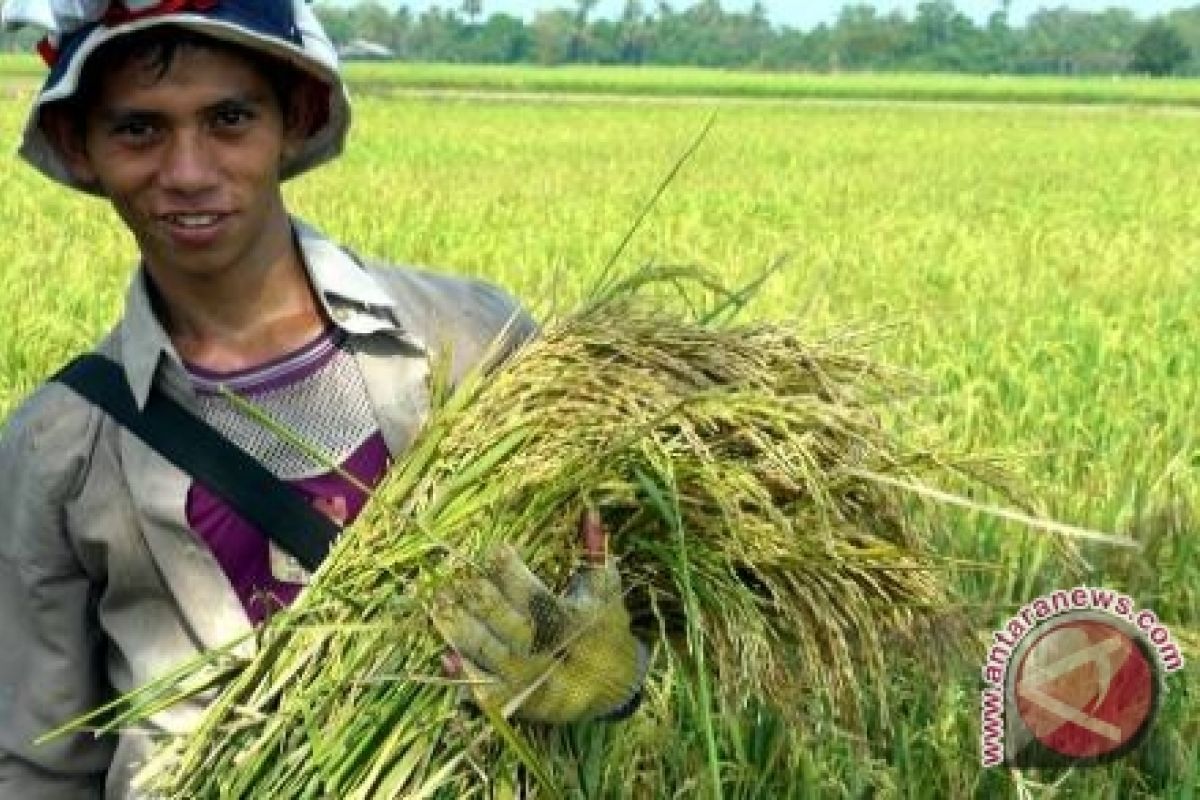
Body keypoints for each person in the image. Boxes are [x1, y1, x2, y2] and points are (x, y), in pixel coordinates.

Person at [0, 2, 644, 797]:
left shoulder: (474, 341)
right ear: (81, 145)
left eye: (229, 119)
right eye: (139, 129)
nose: (189, 171)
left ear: (295, 115)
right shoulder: (60, 443)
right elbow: (38, 763)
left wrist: (615, 677)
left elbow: (613, 587)